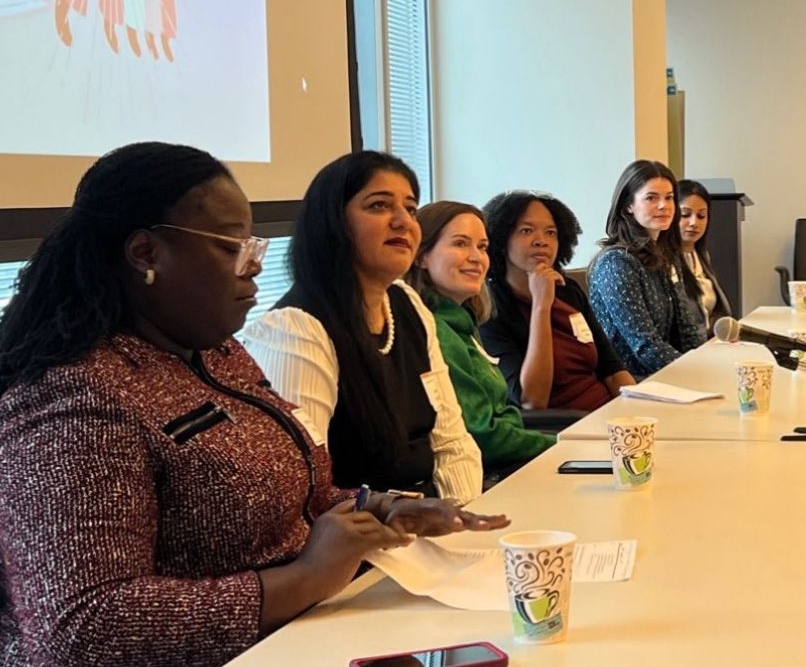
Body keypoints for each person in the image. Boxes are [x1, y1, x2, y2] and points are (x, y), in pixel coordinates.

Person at [0, 142, 507, 667]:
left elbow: (288, 491)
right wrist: (301, 579)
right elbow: (83, 628)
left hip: (309, 633)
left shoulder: (216, 354)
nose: (253, 270)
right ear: (145, 254)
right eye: (231, 247)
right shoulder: (75, 401)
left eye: (254, 246)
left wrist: (376, 506)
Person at [244, 152, 483, 504]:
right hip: (357, 540)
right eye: (378, 206)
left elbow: (450, 440)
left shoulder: (407, 304)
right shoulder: (295, 329)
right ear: (333, 223)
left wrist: (459, 519)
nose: (403, 222)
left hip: (429, 524)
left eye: (411, 208)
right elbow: (305, 488)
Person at [406, 201, 555, 478]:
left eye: (482, 247)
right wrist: (562, 446)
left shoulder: (462, 321)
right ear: (421, 256)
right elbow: (482, 435)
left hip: (508, 461)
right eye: (461, 244)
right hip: (485, 477)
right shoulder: (434, 330)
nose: (476, 257)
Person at [478, 191, 635, 411]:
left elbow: (611, 369)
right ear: (502, 240)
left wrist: (638, 411)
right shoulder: (491, 307)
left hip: (605, 413)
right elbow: (531, 400)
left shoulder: (568, 290)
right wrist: (541, 306)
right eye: (526, 231)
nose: (541, 241)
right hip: (561, 428)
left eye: (551, 232)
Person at [589, 160, 708, 378]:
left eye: (669, 198)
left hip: (663, 373)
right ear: (629, 206)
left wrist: (706, 362)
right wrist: (695, 374)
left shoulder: (666, 255)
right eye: (651, 198)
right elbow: (644, 345)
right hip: (631, 381)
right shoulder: (616, 263)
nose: (664, 206)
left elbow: (687, 328)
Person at [677, 179, 732, 331]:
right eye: (685, 214)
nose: (694, 222)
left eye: (701, 216)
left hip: (711, 342)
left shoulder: (701, 256)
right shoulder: (665, 262)